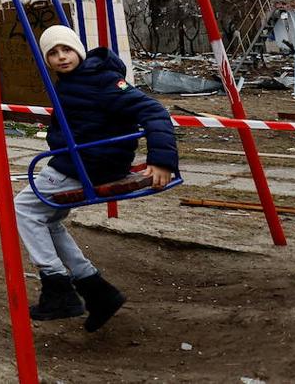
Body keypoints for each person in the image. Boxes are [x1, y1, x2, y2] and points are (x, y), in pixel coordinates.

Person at [13, 25, 178, 332]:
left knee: (21, 208)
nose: (62, 57)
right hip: (83, 160)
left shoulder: (102, 80)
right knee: (47, 219)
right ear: (46, 60)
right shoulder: (74, 80)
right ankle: (96, 290)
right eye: (53, 53)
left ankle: (57, 286)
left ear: (79, 50)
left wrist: (161, 160)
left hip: (89, 164)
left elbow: (153, 110)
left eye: (66, 50)